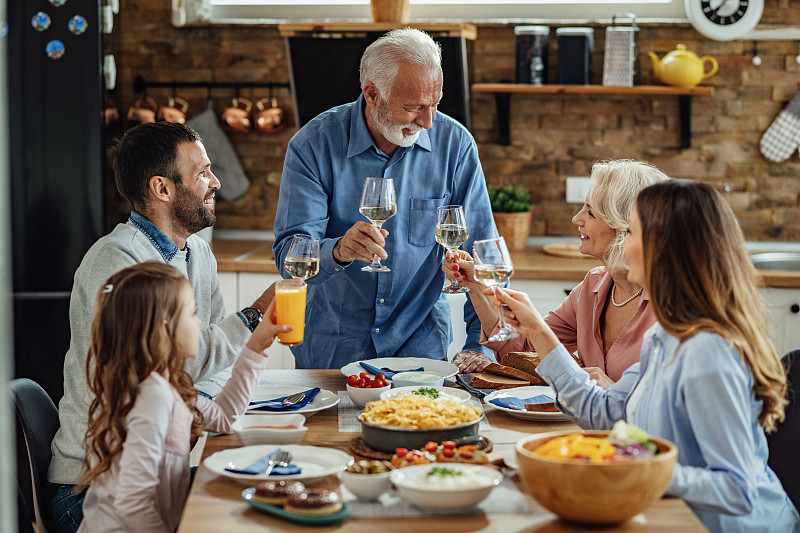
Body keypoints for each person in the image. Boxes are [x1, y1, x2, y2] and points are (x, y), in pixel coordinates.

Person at [491, 180, 799, 532]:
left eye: (632, 232)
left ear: (662, 249)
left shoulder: (708, 353)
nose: (625, 243)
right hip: (668, 516)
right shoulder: (665, 335)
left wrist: (634, 465)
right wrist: (537, 331)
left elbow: (737, 490)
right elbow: (602, 413)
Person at [47, 122, 275, 533]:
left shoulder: (199, 255)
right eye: (202, 172)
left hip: (154, 475)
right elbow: (169, 361)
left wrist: (194, 409)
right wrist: (253, 317)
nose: (215, 181)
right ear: (162, 189)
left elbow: (207, 366)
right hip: (91, 487)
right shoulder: (118, 262)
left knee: (261, 492)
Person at [272, 28, 497, 369]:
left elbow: (486, 256)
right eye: (413, 108)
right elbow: (290, 255)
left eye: (434, 104)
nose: (427, 121)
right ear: (372, 94)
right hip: (331, 349)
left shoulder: (455, 145)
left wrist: (481, 345)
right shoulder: (313, 145)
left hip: (420, 349)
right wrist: (338, 251)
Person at [76, 262, 290, 532]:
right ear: (165, 327)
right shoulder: (152, 395)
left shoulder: (164, 385)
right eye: (192, 314)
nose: (199, 322)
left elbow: (223, 418)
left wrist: (256, 346)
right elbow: (132, 502)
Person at [447, 159, 669, 388]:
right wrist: (474, 286)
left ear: (625, 225)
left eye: (590, 213)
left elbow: (681, 408)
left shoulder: (673, 303)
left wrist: (613, 392)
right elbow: (521, 349)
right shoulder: (592, 288)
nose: (576, 219)